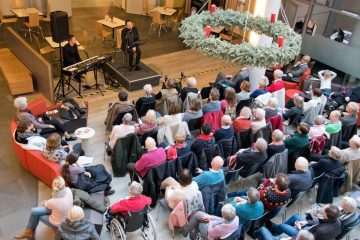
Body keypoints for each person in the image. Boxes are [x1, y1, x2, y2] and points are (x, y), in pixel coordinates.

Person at [269, 204, 341, 240]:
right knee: (295, 217)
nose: (321, 209)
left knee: (282, 226)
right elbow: (319, 223)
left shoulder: (321, 231)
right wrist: (307, 222)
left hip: (306, 235)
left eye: (323, 209)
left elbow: (307, 238)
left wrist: (299, 229)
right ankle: (276, 231)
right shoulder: (335, 220)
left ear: (326, 215)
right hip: (312, 230)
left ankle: (272, 227)